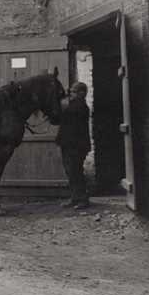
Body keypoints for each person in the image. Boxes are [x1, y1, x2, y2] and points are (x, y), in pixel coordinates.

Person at [57, 81, 91, 210]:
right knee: (71, 172)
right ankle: (75, 198)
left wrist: (65, 100)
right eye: (71, 91)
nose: (71, 94)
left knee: (75, 172)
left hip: (76, 146)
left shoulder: (80, 106)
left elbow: (65, 113)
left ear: (82, 93)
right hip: (69, 144)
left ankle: (82, 199)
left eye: (74, 92)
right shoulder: (75, 105)